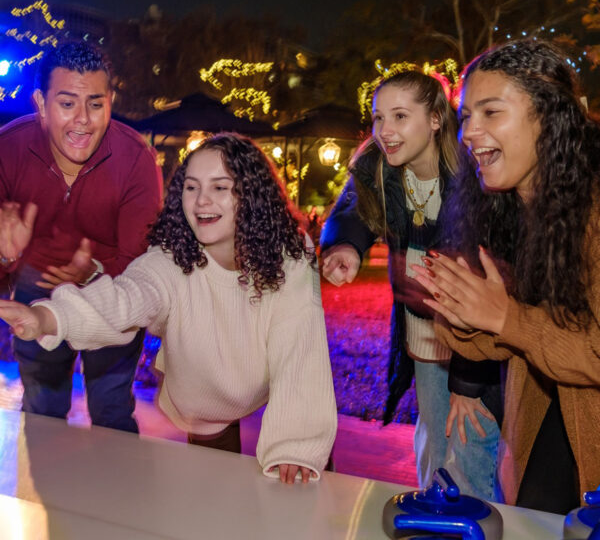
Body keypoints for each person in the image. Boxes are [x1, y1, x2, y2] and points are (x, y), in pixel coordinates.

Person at [0, 133, 338, 484]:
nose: (202, 200)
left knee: (303, 473)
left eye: (220, 187)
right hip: (208, 395)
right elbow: (125, 299)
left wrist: (297, 446)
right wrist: (48, 317)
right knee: (212, 498)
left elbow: (301, 346)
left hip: (263, 365)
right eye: (191, 187)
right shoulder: (173, 258)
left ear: (251, 195)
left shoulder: (290, 255)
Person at [412, 39, 600, 514]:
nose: (470, 131)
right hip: (549, 417)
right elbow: (505, 340)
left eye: (491, 112)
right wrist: (461, 310)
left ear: (549, 116)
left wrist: (507, 317)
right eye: (467, 115)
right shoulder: (511, 205)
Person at [320, 70, 502, 500]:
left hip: (476, 342)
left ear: (436, 119)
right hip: (424, 336)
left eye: (400, 116)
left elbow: (492, 277)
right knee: (436, 449)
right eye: (379, 118)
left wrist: (470, 382)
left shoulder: (473, 176)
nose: (386, 131)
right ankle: (436, 519)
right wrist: (345, 246)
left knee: (472, 447)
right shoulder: (378, 167)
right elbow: (351, 211)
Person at [0, 41, 162, 433]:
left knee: (111, 412)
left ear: (110, 100)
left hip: (112, 290)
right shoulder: (8, 148)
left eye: (95, 103)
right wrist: (5, 258)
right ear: (41, 102)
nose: (83, 121)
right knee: (42, 411)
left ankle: (120, 495)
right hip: (35, 285)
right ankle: (45, 495)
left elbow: (144, 268)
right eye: (67, 103)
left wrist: (93, 272)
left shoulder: (135, 159)